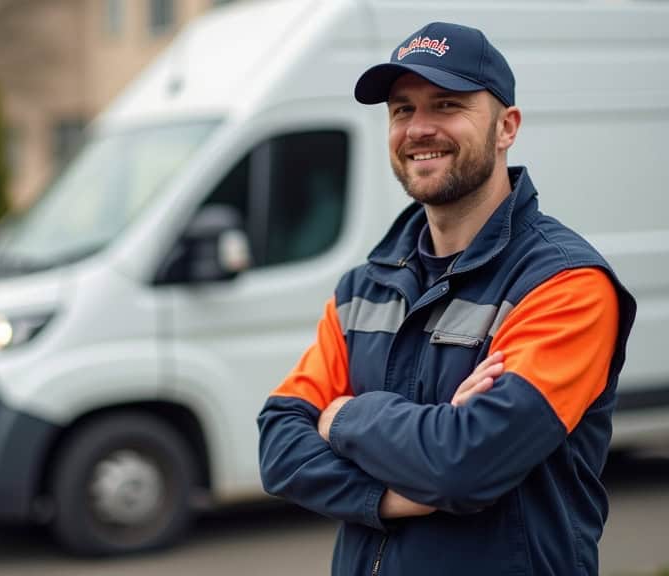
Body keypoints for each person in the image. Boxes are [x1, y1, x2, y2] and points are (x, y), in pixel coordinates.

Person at [257, 21, 637, 576]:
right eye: (402, 110)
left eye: (446, 105)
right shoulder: (364, 287)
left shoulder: (565, 284)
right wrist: (390, 496)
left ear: (506, 127)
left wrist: (343, 415)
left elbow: (466, 465)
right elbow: (278, 446)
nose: (418, 128)